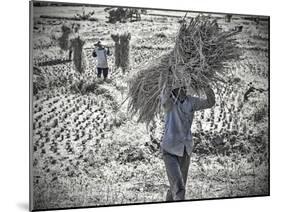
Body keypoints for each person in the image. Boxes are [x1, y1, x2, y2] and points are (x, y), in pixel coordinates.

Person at [160, 79, 215, 201]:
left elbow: (210, 102)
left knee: (177, 186)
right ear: (174, 91)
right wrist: (168, 78)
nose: (183, 90)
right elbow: (164, 98)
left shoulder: (191, 101)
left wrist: (205, 84)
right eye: (180, 88)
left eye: (184, 88)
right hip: (170, 150)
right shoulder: (169, 102)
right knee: (179, 187)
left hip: (185, 150)